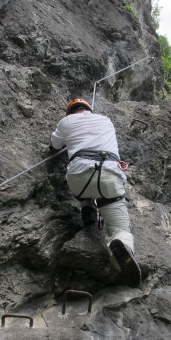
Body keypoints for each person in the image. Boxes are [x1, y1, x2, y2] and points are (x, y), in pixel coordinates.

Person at [50, 98, 141, 287]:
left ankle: (87, 208)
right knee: (120, 228)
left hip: (79, 179)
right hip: (108, 174)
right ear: (89, 109)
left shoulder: (65, 122)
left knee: (84, 189)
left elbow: (55, 145)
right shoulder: (105, 120)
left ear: (70, 112)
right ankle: (120, 249)